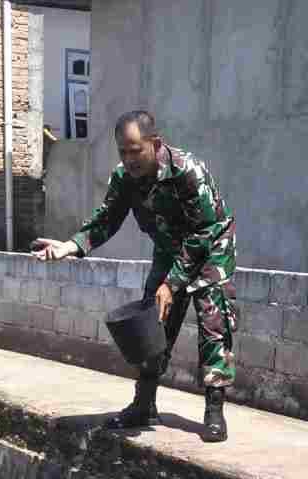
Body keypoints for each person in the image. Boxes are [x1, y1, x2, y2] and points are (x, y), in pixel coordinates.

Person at [31, 110, 238, 443]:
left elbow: (203, 232)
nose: (129, 159)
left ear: (155, 143)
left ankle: (214, 410)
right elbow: (107, 218)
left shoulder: (188, 171)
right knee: (152, 324)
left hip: (211, 249)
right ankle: (144, 405)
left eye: (135, 150)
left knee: (213, 325)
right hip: (169, 249)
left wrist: (171, 284)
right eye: (122, 151)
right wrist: (70, 246)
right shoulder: (124, 177)